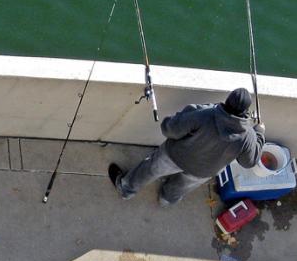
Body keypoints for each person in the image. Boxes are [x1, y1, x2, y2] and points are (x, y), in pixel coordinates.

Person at [109, 87, 265, 206]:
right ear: (246, 111)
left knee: (150, 169)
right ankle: (165, 200)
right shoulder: (248, 136)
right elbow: (249, 162)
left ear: (227, 100)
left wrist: (171, 120)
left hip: (175, 156)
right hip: (203, 171)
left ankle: (126, 189)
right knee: (180, 187)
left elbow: (169, 129)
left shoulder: (204, 114)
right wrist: (259, 133)